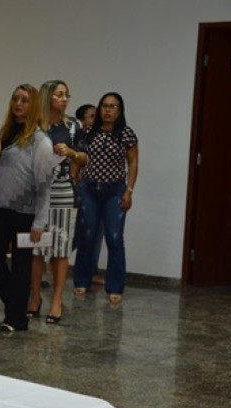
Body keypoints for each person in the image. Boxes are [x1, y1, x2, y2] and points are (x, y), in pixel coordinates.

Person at [0, 84, 54, 333]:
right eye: (15, 98)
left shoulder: (40, 141)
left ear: (33, 106)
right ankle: (15, 305)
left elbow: (45, 185)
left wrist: (39, 223)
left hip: (25, 213)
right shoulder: (3, 134)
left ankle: (15, 318)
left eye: (25, 100)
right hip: (1, 209)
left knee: (22, 266)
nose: (18, 104)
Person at [27, 81, 88, 324]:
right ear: (46, 98)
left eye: (66, 95)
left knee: (60, 248)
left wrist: (71, 153)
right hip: (35, 190)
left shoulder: (73, 126)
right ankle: (35, 298)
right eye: (59, 95)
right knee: (36, 248)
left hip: (62, 190)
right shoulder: (34, 124)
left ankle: (56, 300)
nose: (64, 99)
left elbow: (84, 158)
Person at [73, 93, 139, 303]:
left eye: (113, 106)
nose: (108, 110)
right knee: (88, 236)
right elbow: (78, 157)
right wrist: (76, 180)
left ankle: (115, 286)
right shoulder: (89, 132)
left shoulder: (126, 134)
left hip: (115, 191)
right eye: (105, 106)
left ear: (120, 111)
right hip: (90, 190)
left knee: (114, 238)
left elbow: (134, 163)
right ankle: (82, 281)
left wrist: (129, 190)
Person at [73, 103, 105, 285]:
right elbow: (76, 163)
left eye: (96, 115)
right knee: (79, 233)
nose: (95, 119)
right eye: (91, 116)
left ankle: (91, 272)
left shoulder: (102, 136)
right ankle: (53, 264)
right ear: (82, 120)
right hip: (82, 191)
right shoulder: (79, 137)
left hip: (100, 191)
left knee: (96, 233)